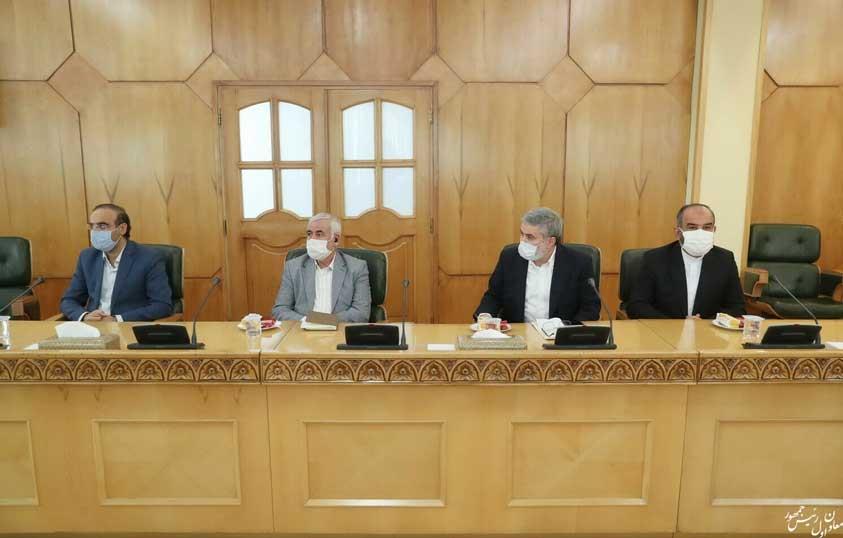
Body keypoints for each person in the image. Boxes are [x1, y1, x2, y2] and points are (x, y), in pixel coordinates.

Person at [474, 207, 600, 323]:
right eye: (522, 234)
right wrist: (485, 316)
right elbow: (493, 295)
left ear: (550, 241)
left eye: (530, 237)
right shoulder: (510, 257)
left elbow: (590, 307)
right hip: (518, 332)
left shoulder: (579, 263)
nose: (523, 241)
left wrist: (568, 331)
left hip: (560, 334)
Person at [627, 203, 745, 319]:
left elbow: (737, 308)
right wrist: (677, 325)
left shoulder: (725, 260)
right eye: (692, 228)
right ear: (678, 233)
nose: (700, 233)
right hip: (665, 329)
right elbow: (636, 306)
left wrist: (705, 323)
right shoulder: (655, 259)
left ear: (714, 230)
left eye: (707, 227)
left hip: (707, 329)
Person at [60, 203, 172, 321]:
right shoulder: (87, 257)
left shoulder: (149, 258)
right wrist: (85, 316)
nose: (95, 231)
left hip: (127, 326)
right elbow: (69, 300)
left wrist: (117, 319)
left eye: (102, 226)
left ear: (122, 229)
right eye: (92, 226)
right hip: (93, 326)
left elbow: (162, 306)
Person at [272, 213, 371, 322]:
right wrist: (306, 321)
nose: (312, 239)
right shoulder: (293, 267)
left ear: (336, 239)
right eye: (309, 234)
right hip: (302, 328)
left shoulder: (356, 267)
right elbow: (280, 310)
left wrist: (323, 321)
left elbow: (361, 313)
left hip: (338, 328)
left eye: (319, 234)